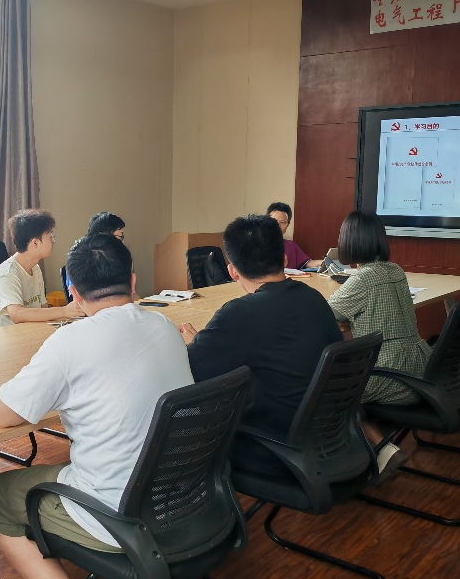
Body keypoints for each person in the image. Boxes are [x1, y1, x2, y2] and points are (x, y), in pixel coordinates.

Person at [0, 233, 193, 579]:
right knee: (126, 456)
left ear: (73, 293)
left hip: (118, 512)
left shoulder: (70, 342)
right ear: (132, 281)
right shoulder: (165, 327)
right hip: (182, 496)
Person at [180, 215, 342, 479]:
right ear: (285, 260)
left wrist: (195, 342)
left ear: (232, 271)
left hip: (273, 450)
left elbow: (191, 370)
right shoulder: (314, 298)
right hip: (328, 439)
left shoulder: (240, 313)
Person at [327, 210, 430, 477]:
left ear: (348, 241)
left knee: (326, 392)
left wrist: (344, 323)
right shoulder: (395, 270)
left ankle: (373, 449)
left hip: (390, 374)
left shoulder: (362, 279)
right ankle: (382, 446)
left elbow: (324, 315)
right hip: (421, 368)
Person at [0, 209, 84, 329]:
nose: (53, 241)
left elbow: (43, 308)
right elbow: (17, 314)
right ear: (35, 243)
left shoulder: (35, 268)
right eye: (50, 236)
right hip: (9, 338)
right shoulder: (7, 275)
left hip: (30, 331)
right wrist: (64, 311)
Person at [64, 212, 126, 298]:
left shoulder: (120, 259)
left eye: (122, 237)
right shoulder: (79, 262)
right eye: (119, 237)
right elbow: (77, 301)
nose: (123, 242)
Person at [267, 202, 322, 270]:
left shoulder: (291, 246)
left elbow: (309, 263)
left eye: (282, 222)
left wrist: (324, 262)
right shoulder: (256, 244)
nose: (277, 226)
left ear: (287, 225)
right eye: (274, 221)